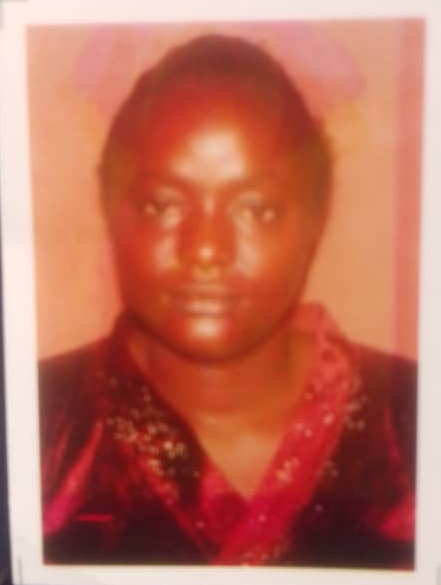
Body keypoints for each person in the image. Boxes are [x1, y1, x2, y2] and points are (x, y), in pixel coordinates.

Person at [38, 34, 417, 568]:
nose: (205, 250)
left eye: (256, 209)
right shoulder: (35, 424)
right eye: (162, 205)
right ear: (111, 211)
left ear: (316, 219)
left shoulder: (412, 421)